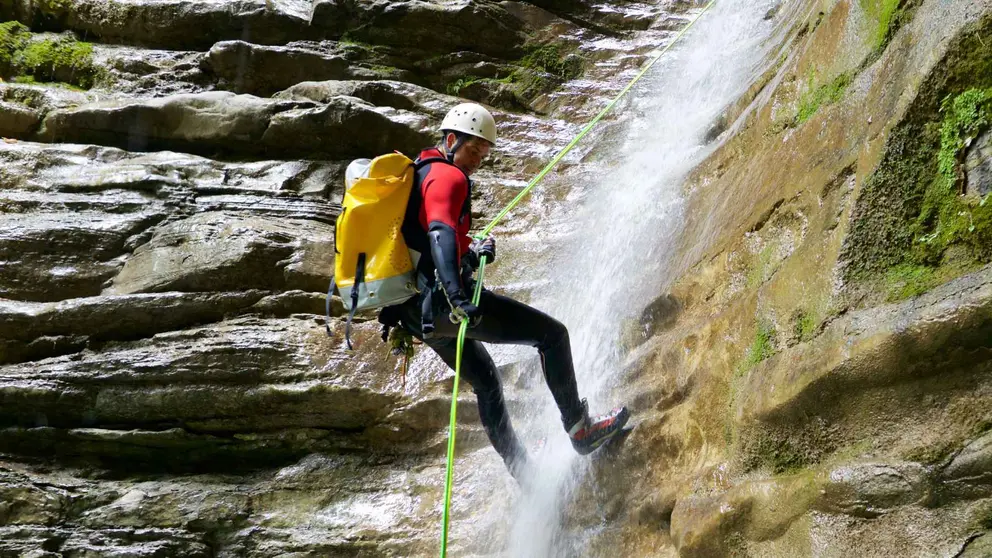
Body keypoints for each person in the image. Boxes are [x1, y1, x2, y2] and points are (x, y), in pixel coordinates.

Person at [384, 102, 629, 481]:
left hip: (416, 313)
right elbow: (439, 233)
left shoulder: (420, 174)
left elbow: (426, 244)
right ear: (451, 140)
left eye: (483, 155)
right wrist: (457, 295)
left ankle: (524, 475)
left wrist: (470, 254)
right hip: (445, 304)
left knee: (486, 383)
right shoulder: (448, 177)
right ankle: (580, 429)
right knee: (552, 336)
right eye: (472, 150)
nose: (476, 161)